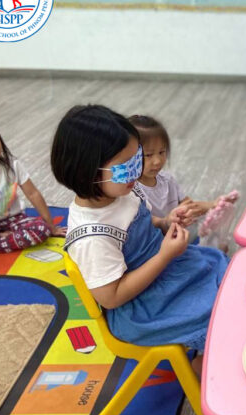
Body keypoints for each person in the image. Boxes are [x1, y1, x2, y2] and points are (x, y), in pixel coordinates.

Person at [51, 105, 229, 374]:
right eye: (125, 168)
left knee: (226, 277)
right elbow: (112, 297)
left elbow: (144, 221)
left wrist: (166, 221)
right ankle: (203, 363)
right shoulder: (92, 237)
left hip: (165, 272)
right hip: (142, 307)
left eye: (137, 161)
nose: (136, 173)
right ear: (86, 170)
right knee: (218, 310)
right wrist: (164, 256)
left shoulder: (120, 192)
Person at [0, 114, 65, 269]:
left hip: (12, 221)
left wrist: (51, 226)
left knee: (41, 230)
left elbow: (33, 194)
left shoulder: (12, 165)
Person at [128, 115, 237, 222]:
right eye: (148, 155)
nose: (157, 161)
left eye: (161, 152)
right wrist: (167, 221)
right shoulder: (130, 191)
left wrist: (215, 204)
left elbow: (190, 205)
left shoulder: (167, 179)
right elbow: (143, 227)